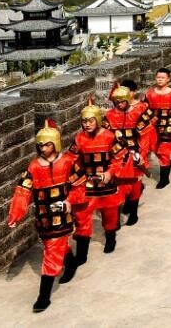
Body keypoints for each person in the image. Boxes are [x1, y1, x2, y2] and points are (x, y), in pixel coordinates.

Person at [8, 119, 88, 311]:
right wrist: (16, 214)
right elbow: (23, 191)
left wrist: (69, 202)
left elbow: (79, 185)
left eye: (47, 144)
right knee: (55, 246)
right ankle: (70, 263)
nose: (43, 148)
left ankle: (43, 296)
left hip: (62, 216)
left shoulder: (68, 163)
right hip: (43, 218)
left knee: (51, 254)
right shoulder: (34, 167)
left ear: (56, 143)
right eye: (40, 144)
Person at [69, 98, 126, 263]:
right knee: (82, 216)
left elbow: (118, 158)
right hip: (87, 184)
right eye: (84, 121)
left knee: (109, 214)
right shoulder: (79, 139)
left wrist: (110, 173)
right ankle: (81, 254)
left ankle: (110, 238)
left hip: (106, 183)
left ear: (98, 120)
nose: (86, 124)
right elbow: (71, 159)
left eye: (90, 120)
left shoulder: (109, 137)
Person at [104, 81, 153, 226]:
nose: (119, 104)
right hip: (118, 155)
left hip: (136, 152)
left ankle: (133, 212)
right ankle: (118, 214)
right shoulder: (109, 116)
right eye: (116, 102)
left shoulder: (138, 112)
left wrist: (142, 155)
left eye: (122, 101)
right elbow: (106, 136)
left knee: (135, 183)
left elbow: (145, 136)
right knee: (120, 185)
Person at [145, 67, 171, 189]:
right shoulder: (150, 93)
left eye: (162, 77)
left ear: (168, 79)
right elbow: (144, 108)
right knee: (155, 148)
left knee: (164, 150)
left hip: (169, 125)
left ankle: (164, 179)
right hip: (154, 125)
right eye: (158, 77)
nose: (160, 80)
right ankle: (167, 163)